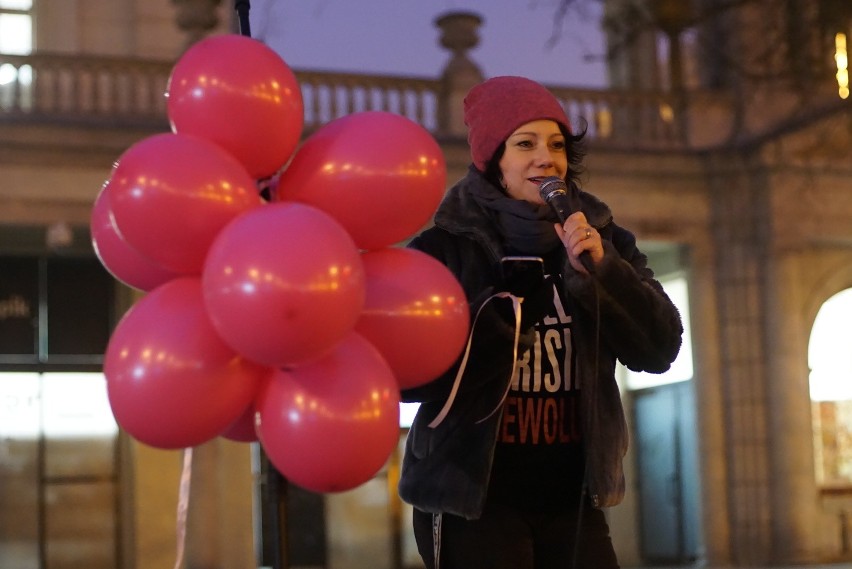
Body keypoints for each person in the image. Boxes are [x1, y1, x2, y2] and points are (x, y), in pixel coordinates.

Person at [397, 76, 684, 569]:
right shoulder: (446, 247)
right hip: (474, 503)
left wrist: (603, 275)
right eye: (525, 144)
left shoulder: (604, 239)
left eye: (556, 144)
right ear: (494, 161)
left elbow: (659, 350)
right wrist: (506, 315)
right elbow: (410, 377)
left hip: (572, 501)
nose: (545, 158)